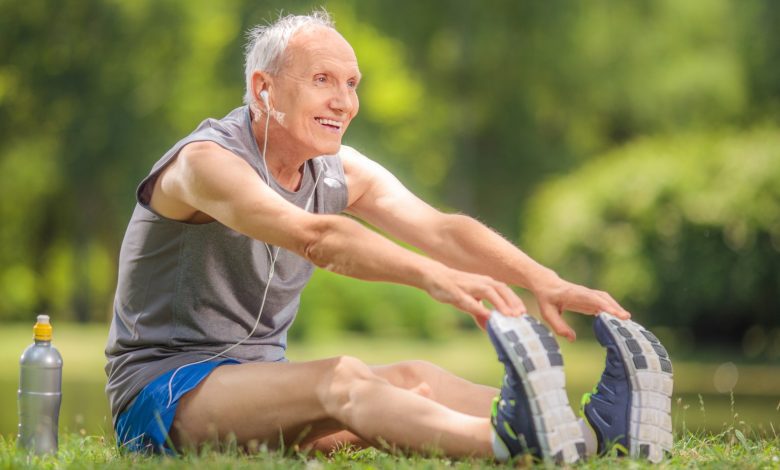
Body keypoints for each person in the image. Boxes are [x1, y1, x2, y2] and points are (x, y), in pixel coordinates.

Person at [104, 10, 673, 464]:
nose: (343, 101)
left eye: (351, 84)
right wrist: (435, 278)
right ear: (264, 89)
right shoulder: (206, 163)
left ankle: (594, 437)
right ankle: (513, 441)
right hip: (164, 392)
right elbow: (317, 237)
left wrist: (543, 281)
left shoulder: (334, 169)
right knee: (341, 378)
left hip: (260, 385)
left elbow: (441, 228)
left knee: (414, 380)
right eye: (322, 80)